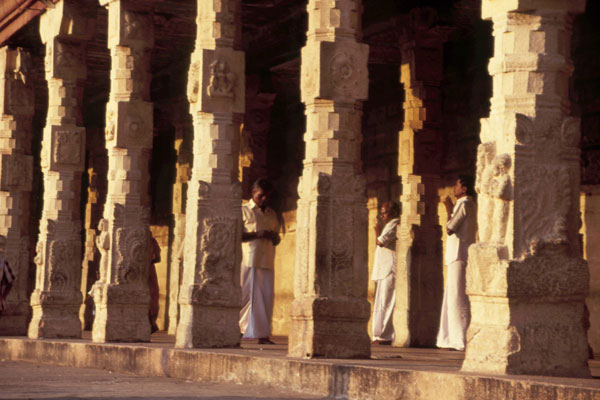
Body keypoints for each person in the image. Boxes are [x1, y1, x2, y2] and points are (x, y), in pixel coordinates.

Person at [436, 175, 477, 351]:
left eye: (457, 185)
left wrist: (447, 207)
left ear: (464, 189)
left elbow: (450, 228)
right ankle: (448, 338)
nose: (454, 187)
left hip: (459, 254)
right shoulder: (466, 204)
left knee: (457, 298)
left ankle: (460, 339)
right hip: (458, 254)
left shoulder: (465, 203)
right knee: (452, 297)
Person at [239, 178, 280, 344]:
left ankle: (263, 335)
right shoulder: (243, 211)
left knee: (265, 298)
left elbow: (276, 238)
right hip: (248, 259)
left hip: (266, 260)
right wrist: (257, 234)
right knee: (245, 297)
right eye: (261, 195)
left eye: (267, 196)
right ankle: (239, 330)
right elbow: (236, 234)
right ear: (253, 193)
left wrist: (273, 237)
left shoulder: (271, 214)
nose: (264, 199)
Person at [371, 201, 400, 345]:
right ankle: (377, 335)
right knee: (381, 302)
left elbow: (381, 242)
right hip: (383, 269)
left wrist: (377, 231)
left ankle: (385, 336)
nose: (382, 216)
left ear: (393, 212)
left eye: (385, 213)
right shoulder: (388, 225)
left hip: (389, 268)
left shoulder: (395, 223)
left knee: (387, 302)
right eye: (381, 213)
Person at [149, 236, 161, 334]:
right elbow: (157, 258)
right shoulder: (151, 241)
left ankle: (151, 322)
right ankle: (151, 322)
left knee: (152, 294)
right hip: (146, 270)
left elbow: (157, 258)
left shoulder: (151, 241)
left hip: (147, 270)